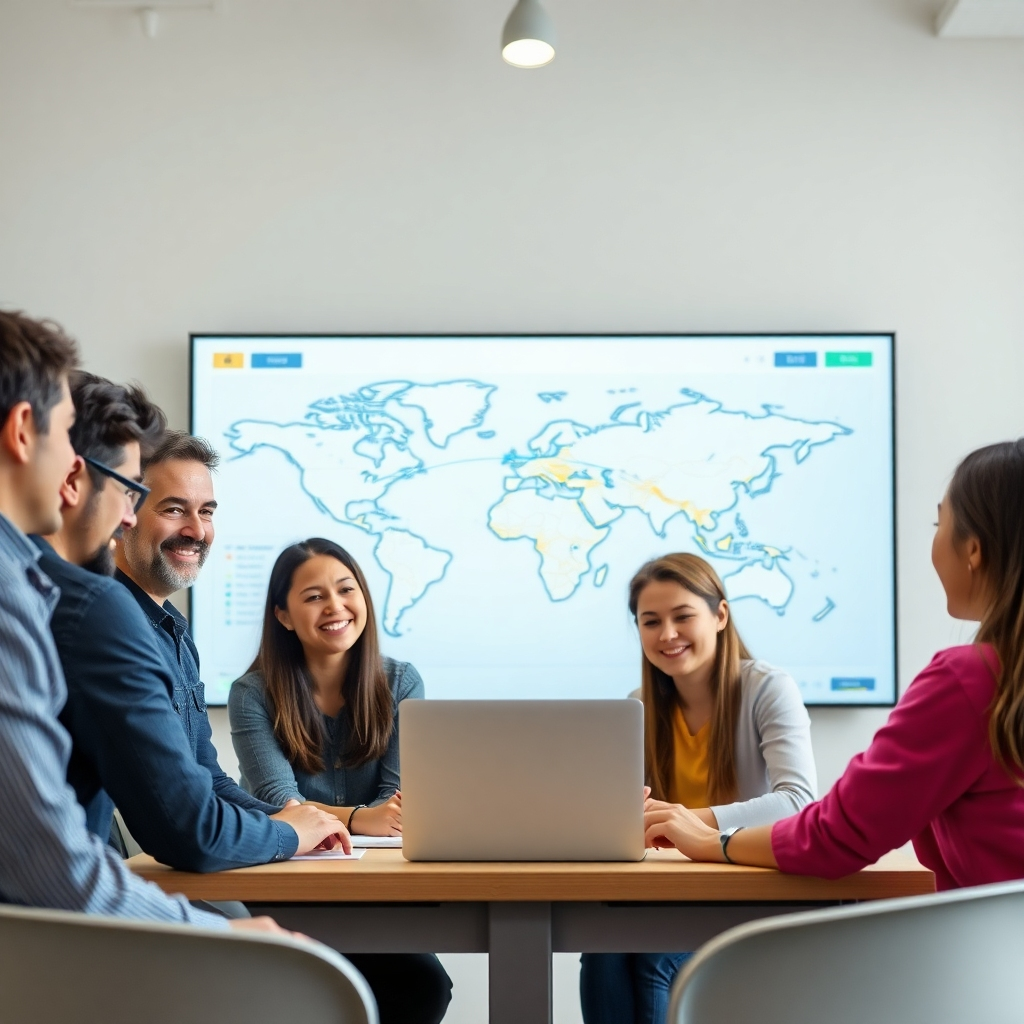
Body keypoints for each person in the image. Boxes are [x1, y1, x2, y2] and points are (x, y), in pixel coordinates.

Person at [644, 439, 1024, 893]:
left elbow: (837, 835)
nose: (667, 634)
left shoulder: (970, 681)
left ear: (974, 550)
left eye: (939, 523)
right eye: (649, 621)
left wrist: (713, 840)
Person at [0, 309, 274, 933]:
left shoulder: (35, 582)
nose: (128, 516)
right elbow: (54, 865)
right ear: (24, 431)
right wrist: (221, 937)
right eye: (135, 493)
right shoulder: (52, 598)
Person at [35, 375, 347, 870]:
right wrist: (287, 832)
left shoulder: (172, 629)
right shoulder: (98, 613)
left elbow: (206, 781)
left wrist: (294, 823)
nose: (196, 530)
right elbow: (188, 827)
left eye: (206, 512)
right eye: (173, 509)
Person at [580, 553, 817, 1024]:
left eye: (682, 616)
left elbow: (798, 802)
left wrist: (692, 823)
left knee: (653, 958)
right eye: (650, 622)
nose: (667, 634)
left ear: (720, 615)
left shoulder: (769, 688)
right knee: (601, 951)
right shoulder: (638, 707)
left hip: (748, 891)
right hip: (668, 893)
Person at [229, 537, 452, 1024]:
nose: (335, 607)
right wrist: (359, 818)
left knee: (424, 986)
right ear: (284, 615)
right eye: (313, 597)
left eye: (346, 589)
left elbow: (393, 807)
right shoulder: (252, 692)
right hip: (285, 891)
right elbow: (276, 800)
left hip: (380, 895)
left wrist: (365, 819)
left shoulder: (401, 682)